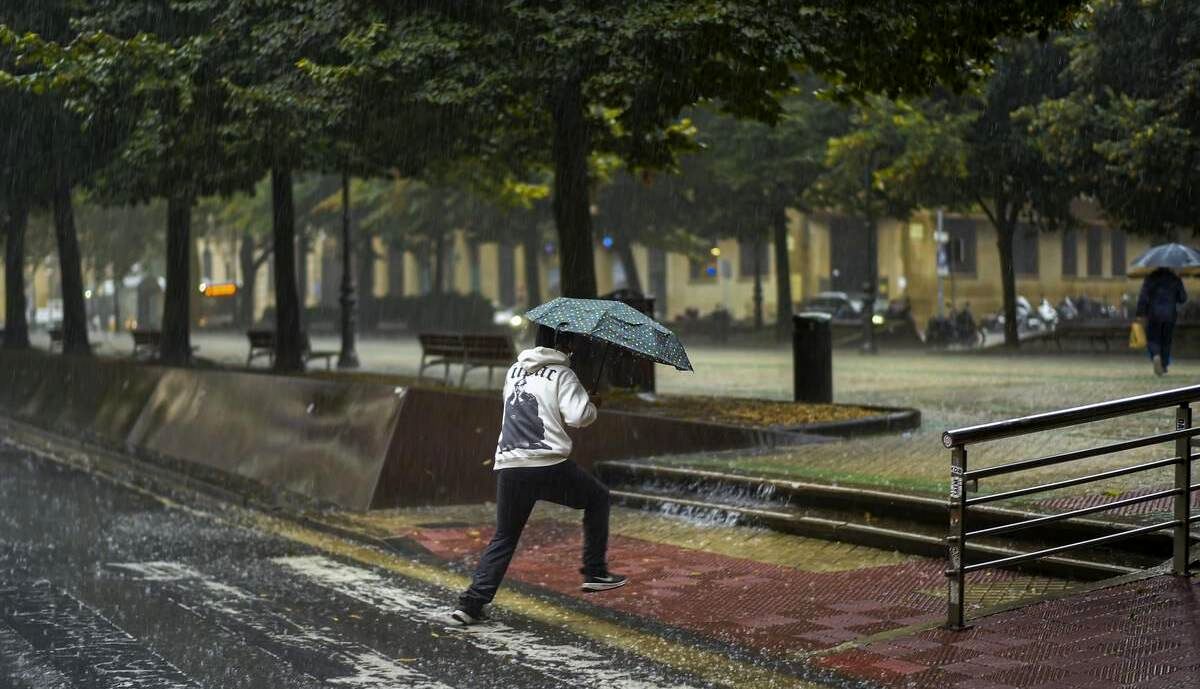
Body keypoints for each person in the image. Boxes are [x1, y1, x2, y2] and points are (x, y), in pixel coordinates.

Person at [450, 329, 626, 626]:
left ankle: (470, 604)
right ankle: (595, 572)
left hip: (510, 463)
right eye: (574, 346)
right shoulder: (563, 375)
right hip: (546, 462)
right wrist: (592, 404)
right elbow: (578, 418)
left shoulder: (515, 370)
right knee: (598, 498)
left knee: (505, 535)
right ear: (568, 346)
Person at [1136, 267, 1187, 376]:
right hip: (1170, 315)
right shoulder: (1175, 279)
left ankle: (1155, 355)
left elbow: (1143, 298)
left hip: (1153, 314)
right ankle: (1163, 366)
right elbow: (1183, 298)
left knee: (1152, 339)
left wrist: (1140, 313)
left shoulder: (1151, 278)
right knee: (1166, 341)